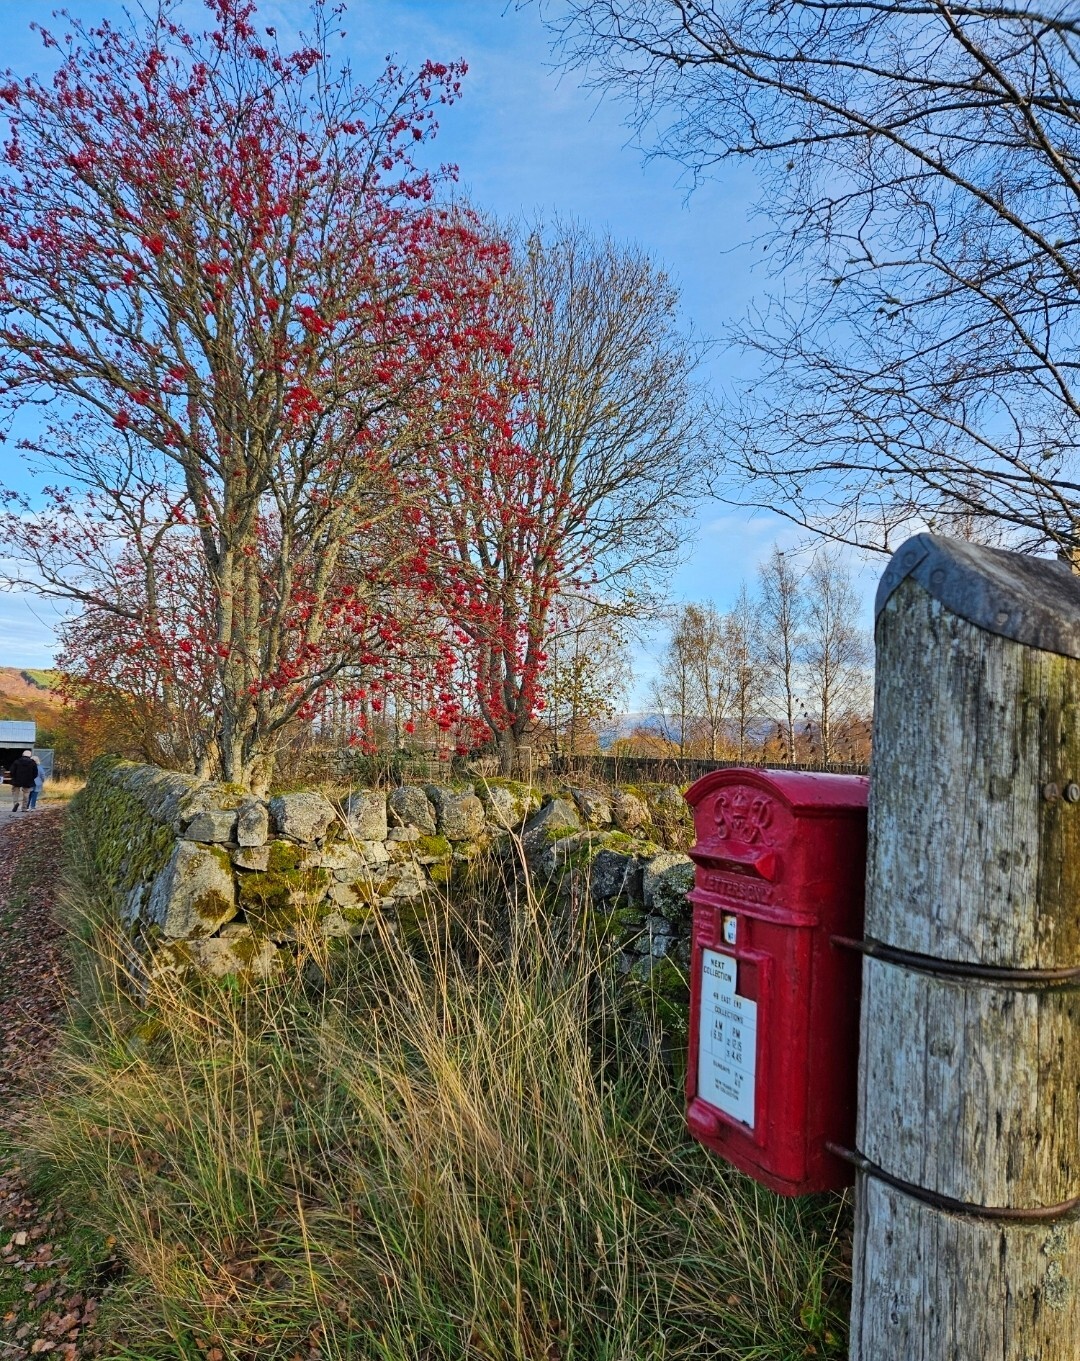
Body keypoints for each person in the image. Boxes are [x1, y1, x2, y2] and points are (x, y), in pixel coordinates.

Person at [10, 750, 38, 814]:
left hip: (17, 780)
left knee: (15, 792)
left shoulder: (17, 762)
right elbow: (35, 773)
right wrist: (31, 778)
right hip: (28, 781)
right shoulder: (33, 763)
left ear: (22, 754)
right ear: (30, 755)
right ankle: (24, 807)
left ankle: (15, 803)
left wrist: (14, 777)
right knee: (26, 794)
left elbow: (12, 771)